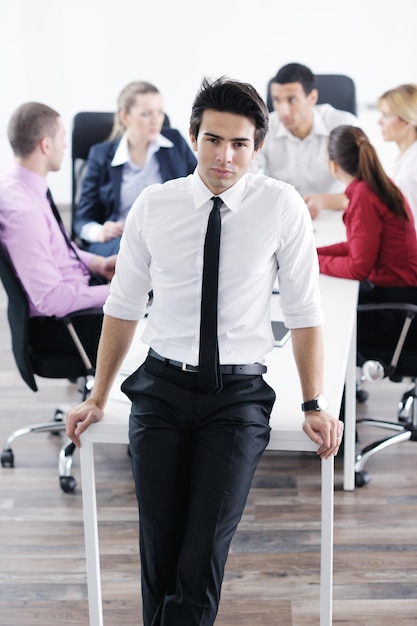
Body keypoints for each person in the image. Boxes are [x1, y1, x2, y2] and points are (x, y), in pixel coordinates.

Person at [66, 76, 343, 626]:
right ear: (193, 137)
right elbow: (122, 307)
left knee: (201, 557)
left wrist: (313, 404)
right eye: (214, 140)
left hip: (237, 397)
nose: (225, 155)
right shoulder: (155, 206)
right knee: (160, 556)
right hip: (160, 389)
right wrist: (98, 396)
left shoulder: (280, 206)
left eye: (240, 143)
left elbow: (306, 311)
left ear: (256, 147)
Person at [0, 102, 116, 362]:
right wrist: (118, 290)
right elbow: (51, 299)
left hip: (76, 301)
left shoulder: (23, 188)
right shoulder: (24, 212)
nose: (65, 146)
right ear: (46, 144)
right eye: (62, 137)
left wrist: (98, 263)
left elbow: (57, 246)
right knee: (155, 331)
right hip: (64, 326)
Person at [317, 124, 417, 363]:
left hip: (397, 311)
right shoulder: (376, 184)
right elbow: (356, 246)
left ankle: (341, 398)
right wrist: (312, 252)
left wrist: (313, 261)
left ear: (333, 165)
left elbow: (357, 268)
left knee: (326, 321)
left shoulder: (364, 194)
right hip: (401, 297)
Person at [73, 80, 198, 256]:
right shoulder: (100, 155)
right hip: (120, 242)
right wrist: (99, 232)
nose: (156, 120)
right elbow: (82, 219)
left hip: (169, 236)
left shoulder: (175, 143)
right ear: (125, 117)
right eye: (146, 114)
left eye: (159, 112)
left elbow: (199, 188)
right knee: (136, 254)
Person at [251, 62, 359, 218]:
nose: (283, 110)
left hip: (335, 215)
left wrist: (324, 202)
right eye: (276, 100)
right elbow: (247, 181)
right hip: (283, 216)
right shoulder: (264, 128)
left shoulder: (343, 124)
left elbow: (367, 188)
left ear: (312, 97)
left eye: (291, 100)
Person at [377, 83, 417, 226]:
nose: (379, 122)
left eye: (386, 115)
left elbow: (413, 230)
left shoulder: (410, 173)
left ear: (407, 122)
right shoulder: (405, 159)